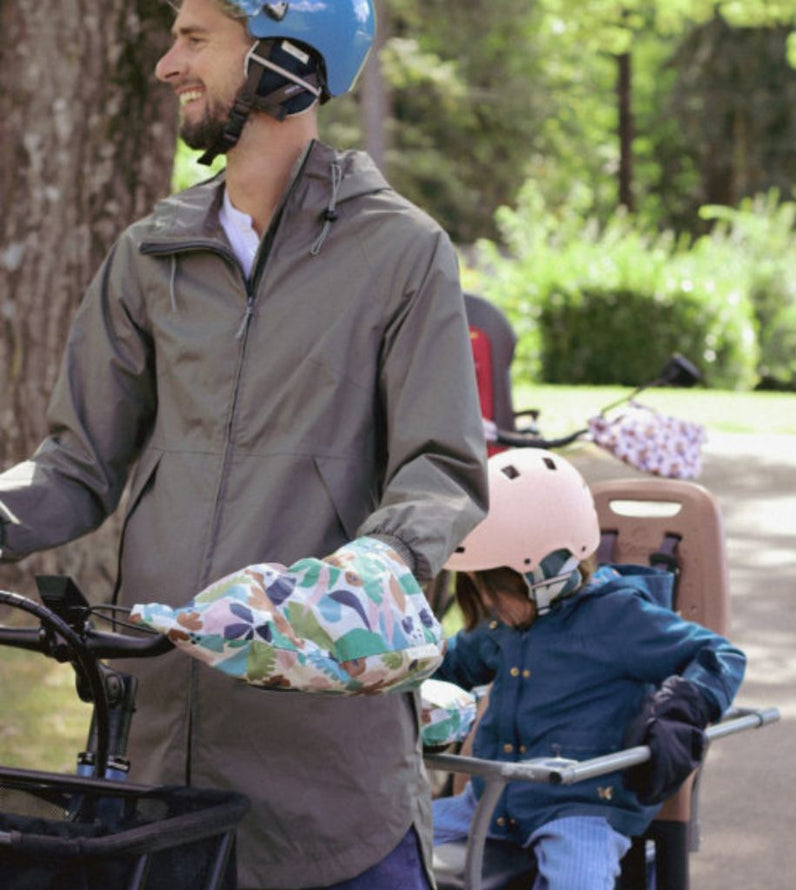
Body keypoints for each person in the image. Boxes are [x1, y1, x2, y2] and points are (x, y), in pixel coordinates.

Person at [0, 1, 488, 887]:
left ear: (288, 58)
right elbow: (76, 467)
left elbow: (439, 473)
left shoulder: (404, 253)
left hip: (333, 788)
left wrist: (356, 584)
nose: (165, 64)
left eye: (195, 39)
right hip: (157, 770)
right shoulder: (150, 252)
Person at [432, 448, 746, 890]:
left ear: (544, 573)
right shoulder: (505, 625)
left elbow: (720, 657)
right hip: (489, 804)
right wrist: (399, 673)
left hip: (578, 810)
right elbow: (451, 664)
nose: (486, 604)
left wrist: (682, 709)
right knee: (377, 840)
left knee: (575, 882)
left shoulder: (618, 618)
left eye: (493, 589)